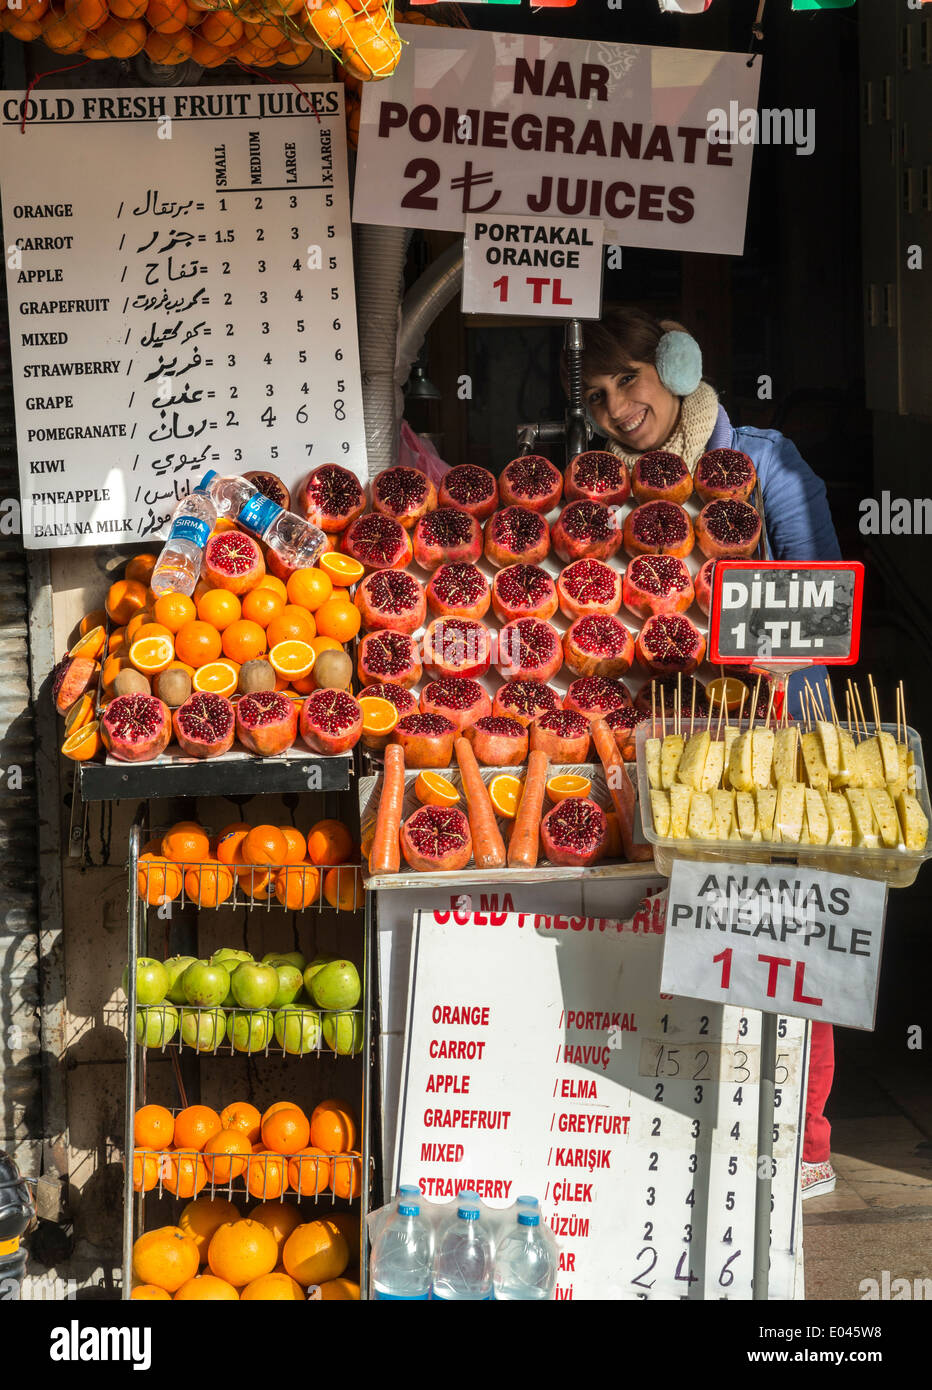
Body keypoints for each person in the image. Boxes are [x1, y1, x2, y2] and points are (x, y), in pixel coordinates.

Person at [567, 305, 840, 1200]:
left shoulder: (763, 461)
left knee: (789, 928)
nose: (619, 408)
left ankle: (804, 1142)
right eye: (601, 397)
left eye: (630, 381)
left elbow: (824, 608)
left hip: (777, 733)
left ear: (672, 364)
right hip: (666, 746)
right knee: (692, 940)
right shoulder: (604, 487)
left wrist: (765, 646)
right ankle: (704, 1124)